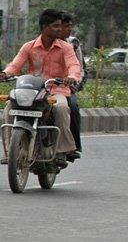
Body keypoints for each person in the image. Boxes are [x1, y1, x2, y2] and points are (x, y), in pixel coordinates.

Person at [1, 9, 81, 168]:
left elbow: (73, 65)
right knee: (10, 107)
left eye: (60, 26)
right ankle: (11, 151)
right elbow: (15, 65)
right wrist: (5, 74)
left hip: (56, 91)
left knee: (61, 107)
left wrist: (71, 77)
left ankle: (61, 151)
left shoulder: (66, 48)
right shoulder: (29, 47)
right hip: (33, 91)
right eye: (55, 26)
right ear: (45, 27)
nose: (60, 29)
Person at [59, 11, 84, 160]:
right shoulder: (39, 43)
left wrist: (74, 81)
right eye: (64, 26)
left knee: (72, 106)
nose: (69, 29)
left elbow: (79, 67)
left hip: (65, 87)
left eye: (70, 26)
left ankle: (73, 145)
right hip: (43, 87)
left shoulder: (72, 44)